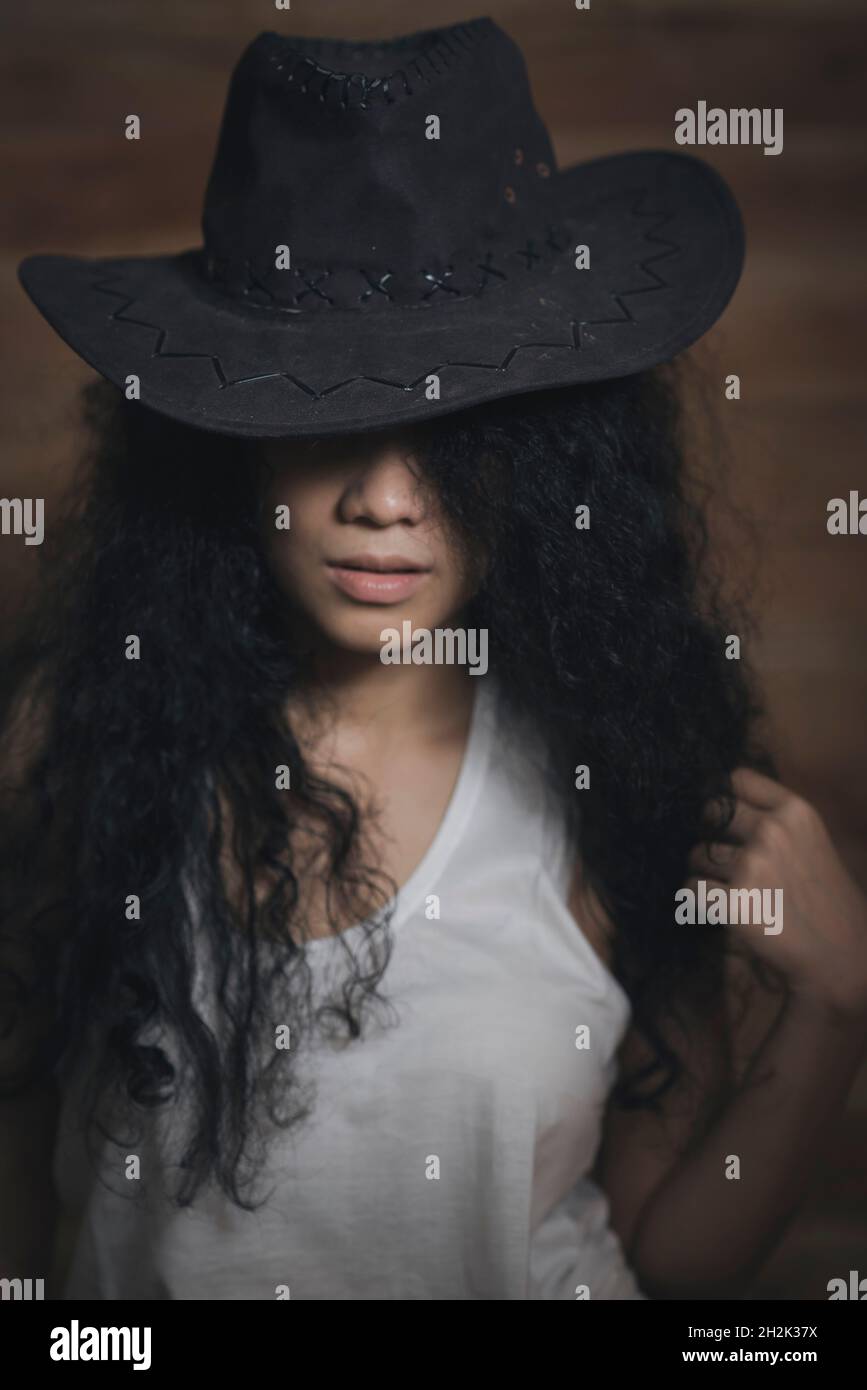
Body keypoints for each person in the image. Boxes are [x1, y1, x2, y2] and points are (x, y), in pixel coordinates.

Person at [3, 20, 866, 1302]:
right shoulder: (75, 753)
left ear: (542, 451)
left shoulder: (622, 778)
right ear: (230, 438)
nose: (386, 498)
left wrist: (837, 1006)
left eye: (451, 427)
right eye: (322, 417)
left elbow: (666, 1262)